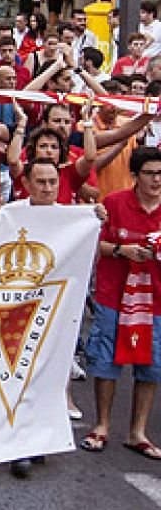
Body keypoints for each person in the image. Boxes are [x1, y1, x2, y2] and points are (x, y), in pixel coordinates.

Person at [82, 146, 161, 457]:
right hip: (113, 295)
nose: (157, 180)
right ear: (135, 176)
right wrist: (120, 251)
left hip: (155, 301)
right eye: (150, 173)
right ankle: (102, 425)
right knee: (106, 361)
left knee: (151, 367)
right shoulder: (114, 203)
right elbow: (92, 242)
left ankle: (138, 432)